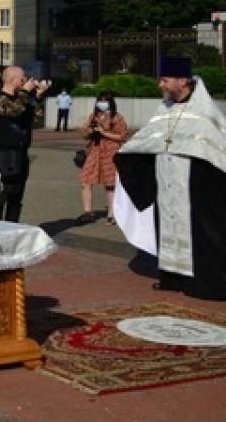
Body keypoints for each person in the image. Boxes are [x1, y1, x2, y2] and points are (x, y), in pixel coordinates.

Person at [115, 57, 226, 300]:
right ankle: (172, 278)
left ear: (182, 80)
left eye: (165, 80)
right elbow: (149, 138)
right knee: (166, 228)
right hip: (166, 185)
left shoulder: (205, 112)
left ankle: (206, 283)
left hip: (195, 185)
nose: (160, 85)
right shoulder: (164, 108)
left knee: (202, 233)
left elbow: (217, 150)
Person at [0, 67, 48, 222]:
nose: (25, 81)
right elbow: (13, 111)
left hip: (20, 154)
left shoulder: (23, 99)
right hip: (2, 155)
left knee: (16, 198)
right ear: (12, 80)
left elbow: (38, 118)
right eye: (22, 78)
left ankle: (13, 230)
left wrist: (38, 97)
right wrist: (25, 93)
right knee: (0, 197)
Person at [76, 91, 128, 225]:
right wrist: (90, 130)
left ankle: (111, 214)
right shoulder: (93, 116)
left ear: (111, 102)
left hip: (110, 151)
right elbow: (84, 134)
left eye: (105, 101)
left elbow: (122, 136)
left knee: (110, 184)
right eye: (100, 101)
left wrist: (104, 132)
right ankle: (88, 212)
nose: (102, 104)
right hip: (94, 150)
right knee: (85, 179)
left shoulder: (117, 118)